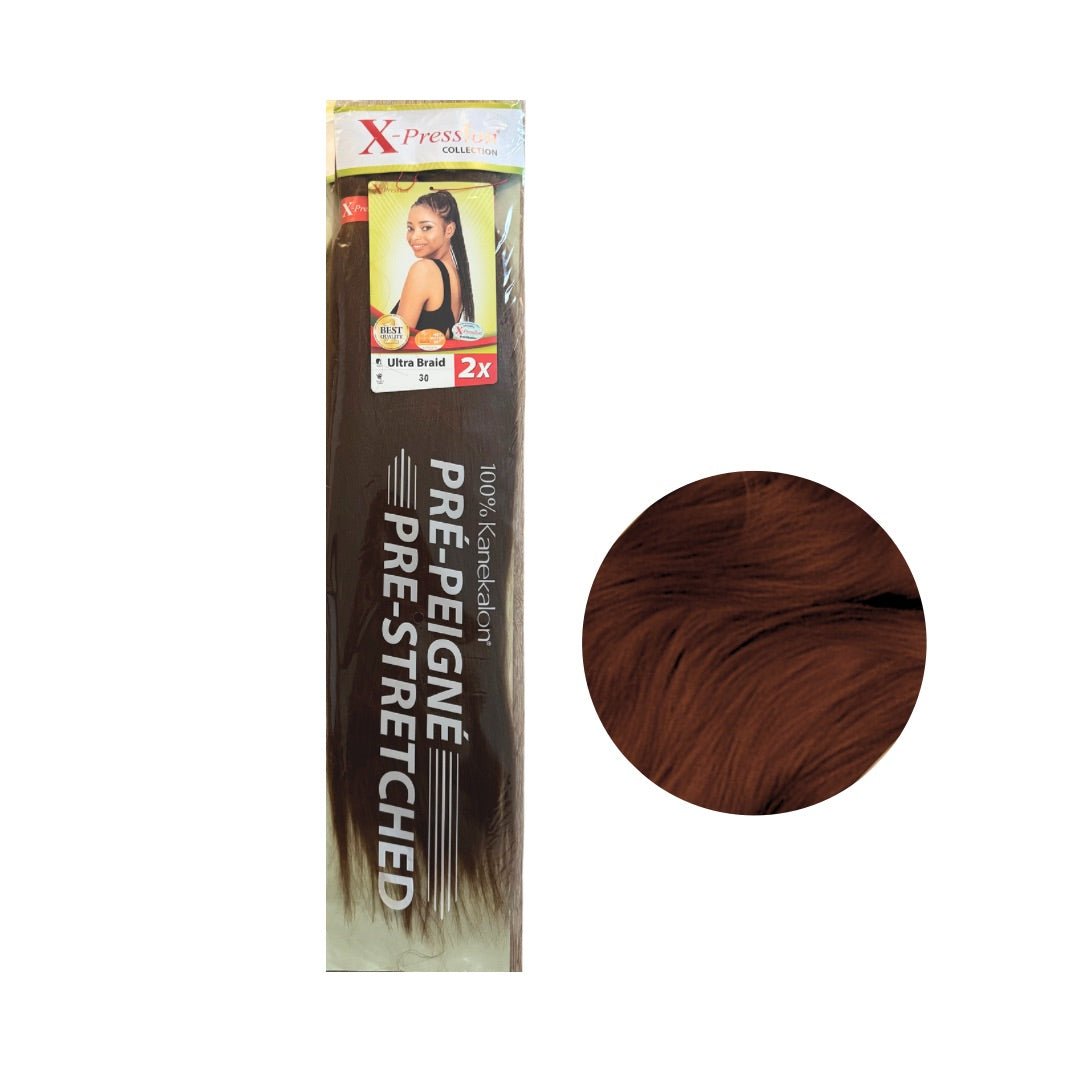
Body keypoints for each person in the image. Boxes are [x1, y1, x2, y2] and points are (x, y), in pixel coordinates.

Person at [391, 190, 475, 336]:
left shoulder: (424, 270)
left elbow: (397, 341)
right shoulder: (457, 276)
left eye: (426, 228)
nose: (414, 237)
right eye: (410, 228)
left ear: (449, 230)